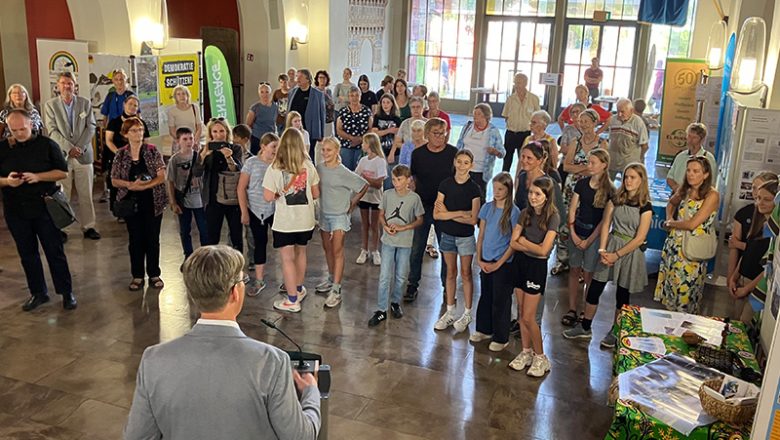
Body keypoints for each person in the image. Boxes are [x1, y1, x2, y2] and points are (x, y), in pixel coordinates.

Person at [123, 245, 321, 440]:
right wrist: (311, 393)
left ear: (193, 295)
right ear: (235, 292)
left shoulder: (153, 360)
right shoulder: (271, 362)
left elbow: (137, 435)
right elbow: (300, 436)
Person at [563, 163, 653, 348]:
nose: (628, 180)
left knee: (622, 293)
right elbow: (605, 224)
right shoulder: (616, 199)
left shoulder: (645, 207)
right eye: (626, 177)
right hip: (611, 244)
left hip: (628, 251)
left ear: (641, 180)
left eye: (633, 177)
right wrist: (603, 250)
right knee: (595, 287)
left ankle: (616, 330)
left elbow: (639, 238)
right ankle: (585, 327)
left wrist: (617, 255)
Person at [0, 109, 75, 311]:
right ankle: (38, 293)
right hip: (16, 209)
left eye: (22, 129)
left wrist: (38, 177)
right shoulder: (2, 149)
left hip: (44, 207)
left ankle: (66, 292)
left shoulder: (47, 145)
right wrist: (7, 181)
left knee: (54, 251)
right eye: (13, 130)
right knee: (27, 253)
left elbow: (62, 173)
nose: (18, 133)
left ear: (31, 124)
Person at [263, 129, 320, 313]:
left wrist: (280, 192)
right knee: (301, 253)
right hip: (305, 220)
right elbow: (316, 193)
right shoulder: (309, 166)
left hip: (285, 222)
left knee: (287, 259)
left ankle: (292, 300)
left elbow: (268, 196)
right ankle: (299, 288)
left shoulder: (274, 167)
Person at [654, 157, 719, 314]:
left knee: (686, 297)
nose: (691, 174)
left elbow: (692, 224)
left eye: (696, 171)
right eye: (689, 170)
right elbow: (671, 203)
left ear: (705, 174)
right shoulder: (684, 190)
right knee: (670, 295)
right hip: (674, 249)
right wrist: (670, 217)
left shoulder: (712, 195)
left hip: (691, 250)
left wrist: (670, 224)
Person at [508, 177, 559, 377]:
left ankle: (541, 357)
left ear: (546, 197)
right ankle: (526, 352)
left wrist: (525, 242)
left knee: (530, 317)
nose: (533, 197)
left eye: (538, 194)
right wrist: (532, 246)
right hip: (521, 263)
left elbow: (544, 251)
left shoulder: (553, 217)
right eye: (531, 192)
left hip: (536, 268)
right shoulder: (524, 213)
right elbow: (513, 242)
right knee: (521, 314)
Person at [111, 117, 168, 291]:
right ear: (126, 134)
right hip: (130, 202)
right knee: (135, 240)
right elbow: (114, 180)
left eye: (141, 130)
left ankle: (154, 273)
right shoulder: (121, 154)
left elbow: (161, 175)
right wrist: (130, 185)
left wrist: (145, 186)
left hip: (152, 201)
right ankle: (137, 275)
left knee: (152, 238)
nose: (139, 133)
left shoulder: (152, 151)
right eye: (135, 130)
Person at [43, 71, 100, 240]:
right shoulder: (50, 105)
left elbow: (91, 126)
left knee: (86, 194)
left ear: (75, 86)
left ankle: (89, 226)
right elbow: (51, 130)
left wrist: (79, 147)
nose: (67, 86)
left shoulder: (84, 103)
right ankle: (63, 229)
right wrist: (69, 148)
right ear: (57, 86)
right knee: (63, 194)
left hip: (83, 156)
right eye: (63, 83)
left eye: (70, 83)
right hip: (62, 156)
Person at [561, 149, 614, 330]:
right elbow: (572, 209)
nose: (589, 166)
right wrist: (573, 233)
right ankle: (572, 308)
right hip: (578, 231)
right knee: (574, 270)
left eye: (593, 163)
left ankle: (586, 309)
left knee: (589, 273)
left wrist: (590, 240)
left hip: (594, 236)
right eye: (588, 162)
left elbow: (604, 221)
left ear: (603, 165)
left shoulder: (609, 190)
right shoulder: (582, 184)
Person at [405, 118, 456, 302]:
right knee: (417, 247)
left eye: (443, 133)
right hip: (423, 205)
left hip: (444, 208)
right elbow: (414, 178)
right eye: (436, 133)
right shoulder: (418, 154)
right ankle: (412, 284)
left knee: (446, 249)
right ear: (427, 135)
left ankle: (447, 286)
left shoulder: (453, 153)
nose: (440, 137)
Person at [368, 164, 424, 327]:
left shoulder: (414, 198)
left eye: (399, 179)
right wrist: (385, 226)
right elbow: (381, 214)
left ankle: (395, 302)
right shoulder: (387, 195)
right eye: (393, 179)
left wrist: (404, 227)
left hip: (405, 242)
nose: (396, 183)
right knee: (384, 276)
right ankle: (381, 309)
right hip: (388, 241)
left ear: (408, 180)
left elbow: (420, 219)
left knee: (400, 275)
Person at [554, 109, 608, 278]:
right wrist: (588, 169)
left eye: (586, 121)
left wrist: (581, 170)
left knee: (586, 220)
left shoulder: (602, 143)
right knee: (566, 221)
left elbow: (605, 168)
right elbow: (566, 166)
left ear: (594, 123)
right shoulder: (575, 142)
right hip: (571, 189)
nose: (582, 124)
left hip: (592, 189)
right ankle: (563, 260)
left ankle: (583, 264)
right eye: (580, 121)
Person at [433, 150, 481, 333]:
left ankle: (468, 312)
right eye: (459, 162)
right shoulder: (445, 184)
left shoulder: (474, 188)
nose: (462, 166)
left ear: (471, 165)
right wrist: (460, 213)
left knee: (466, 273)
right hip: (447, 235)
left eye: (466, 162)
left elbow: (473, 220)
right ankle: (450, 311)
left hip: (465, 236)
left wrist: (448, 214)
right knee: (450, 273)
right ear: (454, 162)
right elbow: (437, 214)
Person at [471, 172, 520, 351]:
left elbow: (513, 243)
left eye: (500, 189)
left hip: (503, 263)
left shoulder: (514, 212)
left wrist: (499, 264)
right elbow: (481, 235)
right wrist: (479, 258)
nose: (496, 192)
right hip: (486, 259)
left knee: (501, 299)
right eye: (494, 189)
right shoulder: (486, 208)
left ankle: (501, 336)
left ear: (508, 189)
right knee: (486, 296)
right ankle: (484, 329)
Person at [316, 137, 368, 307]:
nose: (325, 153)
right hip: (324, 214)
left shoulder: (344, 172)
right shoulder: (319, 169)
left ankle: (336, 289)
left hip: (339, 215)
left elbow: (363, 185)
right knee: (327, 248)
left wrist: (353, 203)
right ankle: (331, 278)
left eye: (329, 150)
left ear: (337, 151)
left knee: (337, 250)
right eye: (323, 150)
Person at [728, 179, 777, 324]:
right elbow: (747, 252)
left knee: (746, 323)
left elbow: (768, 267)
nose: (761, 203)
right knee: (736, 322)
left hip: (755, 284)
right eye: (758, 198)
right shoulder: (758, 223)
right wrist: (734, 276)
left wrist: (748, 288)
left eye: (767, 199)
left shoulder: (774, 233)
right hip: (742, 279)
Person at [238, 132, 279, 295]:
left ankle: (287, 280)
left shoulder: (279, 164)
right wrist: (244, 212)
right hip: (255, 210)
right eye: (273, 147)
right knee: (259, 244)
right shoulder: (251, 163)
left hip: (276, 210)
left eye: (278, 147)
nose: (276, 150)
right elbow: (241, 188)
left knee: (282, 245)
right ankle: (259, 280)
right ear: (263, 146)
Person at [198, 118, 244, 252]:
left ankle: (237, 268)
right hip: (212, 198)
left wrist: (229, 157)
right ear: (211, 134)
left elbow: (237, 170)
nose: (219, 135)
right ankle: (211, 268)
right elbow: (196, 172)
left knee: (236, 236)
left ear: (227, 132)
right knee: (212, 237)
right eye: (215, 131)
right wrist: (203, 156)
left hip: (232, 198)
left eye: (222, 131)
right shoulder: (205, 149)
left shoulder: (235, 148)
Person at [398, 119, 440, 260]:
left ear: (425, 132)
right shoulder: (406, 146)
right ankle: (410, 240)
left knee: (427, 215)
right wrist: (407, 182)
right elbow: (402, 167)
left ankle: (429, 244)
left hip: (425, 185)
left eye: (419, 130)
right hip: (409, 184)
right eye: (414, 130)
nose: (416, 133)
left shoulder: (429, 147)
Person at [168, 127, 208, 269]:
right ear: (178, 141)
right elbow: (170, 181)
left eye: (190, 138)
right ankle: (188, 256)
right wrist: (173, 202)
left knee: (204, 230)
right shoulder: (174, 160)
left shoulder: (199, 156)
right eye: (185, 139)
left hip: (200, 200)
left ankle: (205, 257)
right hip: (183, 200)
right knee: (185, 230)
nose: (188, 142)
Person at [105, 96, 150, 215]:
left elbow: (146, 141)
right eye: (130, 104)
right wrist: (120, 154)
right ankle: (119, 209)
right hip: (118, 156)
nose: (132, 107)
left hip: (137, 157)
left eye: (135, 105)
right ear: (124, 105)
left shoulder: (142, 123)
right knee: (119, 182)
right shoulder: (114, 122)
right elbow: (109, 140)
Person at [456, 103, 505, 201]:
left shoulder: (493, 131)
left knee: (479, 197)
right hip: (464, 168)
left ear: (486, 116)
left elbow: (502, 153)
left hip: (481, 171)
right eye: (474, 114)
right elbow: (459, 144)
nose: (475, 116)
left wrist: (495, 152)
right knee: (462, 195)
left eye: (478, 114)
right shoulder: (468, 126)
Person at [355, 133, 387, 266]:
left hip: (375, 198)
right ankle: (364, 249)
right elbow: (356, 176)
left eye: (364, 143)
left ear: (370, 145)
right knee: (364, 224)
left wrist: (366, 178)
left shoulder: (380, 161)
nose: (362, 145)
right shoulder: (363, 160)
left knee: (374, 225)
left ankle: (375, 250)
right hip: (364, 197)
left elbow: (378, 183)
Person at [502, 73, 540, 172]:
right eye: (515, 82)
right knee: (507, 160)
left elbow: (538, 117)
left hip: (525, 134)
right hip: (510, 133)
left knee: (524, 160)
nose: (516, 85)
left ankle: (522, 182)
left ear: (525, 83)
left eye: (519, 82)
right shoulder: (510, 99)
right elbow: (505, 116)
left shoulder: (533, 99)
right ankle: (504, 181)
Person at [666, 123, 717, 193]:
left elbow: (711, 183)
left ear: (702, 140)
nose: (690, 140)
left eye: (694, 137)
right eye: (689, 136)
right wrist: (677, 189)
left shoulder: (708, 158)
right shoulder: (680, 156)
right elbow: (670, 177)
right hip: (677, 195)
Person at [605, 98, 649, 179]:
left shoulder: (638, 123)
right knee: (607, 186)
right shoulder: (613, 119)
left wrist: (639, 158)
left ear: (631, 111)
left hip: (629, 163)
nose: (619, 114)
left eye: (622, 112)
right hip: (613, 161)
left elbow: (645, 146)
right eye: (617, 111)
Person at [288, 69, 326, 158]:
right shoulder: (293, 92)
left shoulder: (318, 95)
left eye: (300, 77)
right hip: (294, 129)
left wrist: (321, 134)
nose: (298, 79)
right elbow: (288, 112)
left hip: (310, 129)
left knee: (308, 155)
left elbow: (322, 114)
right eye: (297, 76)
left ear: (308, 79)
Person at [336, 86, 373, 171]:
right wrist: (351, 138)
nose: (354, 98)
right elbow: (339, 130)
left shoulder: (366, 110)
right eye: (352, 95)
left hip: (363, 146)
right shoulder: (343, 111)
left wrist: (360, 139)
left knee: (361, 172)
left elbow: (371, 128)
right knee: (346, 171)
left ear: (360, 96)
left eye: (357, 95)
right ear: (348, 97)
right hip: (346, 146)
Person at [389, 96, 426, 164]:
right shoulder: (405, 123)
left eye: (418, 107)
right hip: (407, 156)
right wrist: (408, 148)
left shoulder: (428, 124)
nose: (416, 109)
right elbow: (397, 142)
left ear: (423, 108)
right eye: (413, 107)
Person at [167, 84, 202, 155]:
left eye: (183, 93)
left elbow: (199, 127)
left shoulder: (195, 108)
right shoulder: (172, 111)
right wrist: (182, 141)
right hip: (179, 144)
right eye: (178, 94)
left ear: (187, 95)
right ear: (175, 97)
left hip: (194, 142)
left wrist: (193, 141)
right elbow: (172, 130)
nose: (181, 96)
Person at [245, 83, 278, 155]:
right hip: (257, 138)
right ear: (259, 93)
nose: (264, 94)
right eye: (262, 92)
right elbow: (248, 124)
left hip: (271, 138)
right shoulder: (254, 108)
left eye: (267, 92)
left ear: (270, 93)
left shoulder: (275, 107)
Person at [558, 102, 585, 184]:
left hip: (582, 167)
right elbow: (563, 149)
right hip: (567, 164)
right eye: (573, 112)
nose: (575, 114)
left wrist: (572, 148)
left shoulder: (588, 129)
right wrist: (581, 148)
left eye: (578, 111)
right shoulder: (568, 129)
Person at [371, 93, 401, 160]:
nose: (385, 105)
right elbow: (375, 133)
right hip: (379, 151)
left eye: (388, 102)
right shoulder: (377, 117)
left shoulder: (397, 119)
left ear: (392, 104)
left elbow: (398, 137)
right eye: (383, 102)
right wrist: (389, 130)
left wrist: (392, 153)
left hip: (394, 152)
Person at [315, 70, 335, 138]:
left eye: (324, 78)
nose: (322, 79)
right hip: (318, 120)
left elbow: (331, 103)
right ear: (317, 79)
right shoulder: (314, 91)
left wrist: (326, 95)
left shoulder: (328, 91)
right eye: (320, 77)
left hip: (328, 120)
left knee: (328, 138)